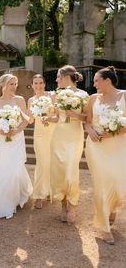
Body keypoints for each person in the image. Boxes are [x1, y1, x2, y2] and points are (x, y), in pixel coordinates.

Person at [85, 66, 126, 245]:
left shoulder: (124, 95)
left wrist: (114, 132)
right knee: (101, 184)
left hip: (119, 145)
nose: (94, 84)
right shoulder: (93, 98)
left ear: (107, 81)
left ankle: (112, 207)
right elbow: (87, 122)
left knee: (118, 183)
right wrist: (91, 131)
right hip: (96, 146)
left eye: (96, 81)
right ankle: (104, 228)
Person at [0, 74, 33, 219]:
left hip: (17, 139)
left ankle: (15, 198)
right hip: (2, 141)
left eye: (15, 84)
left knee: (15, 170)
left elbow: (26, 120)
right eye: (11, 84)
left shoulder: (19, 100)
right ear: (2, 85)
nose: (14, 87)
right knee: (4, 171)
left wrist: (16, 130)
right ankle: (3, 203)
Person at [50, 65, 88, 224]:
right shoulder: (56, 95)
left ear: (66, 77)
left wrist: (75, 115)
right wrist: (47, 119)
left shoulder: (83, 95)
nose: (57, 80)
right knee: (59, 169)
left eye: (58, 77)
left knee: (71, 169)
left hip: (74, 135)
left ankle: (72, 205)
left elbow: (87, 118)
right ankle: (63, 204)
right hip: (59, 135)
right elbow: (57, 117)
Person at [27, 74, 57, 209]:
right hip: (39, 134)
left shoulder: (52, 96)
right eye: (35, 83)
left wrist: (49, 118)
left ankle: (51, 191)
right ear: (32, 85)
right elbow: (31, 120)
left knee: (52, 163)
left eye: (40, 83)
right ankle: (39, 195)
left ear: (44, 84)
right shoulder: (31, 100)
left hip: (53, 133)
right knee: (41, 163)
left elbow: (58, 115)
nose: (38, 86)